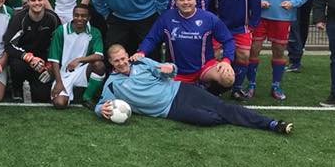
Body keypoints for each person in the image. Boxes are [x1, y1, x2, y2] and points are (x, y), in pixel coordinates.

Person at [95, 45, 292, 134]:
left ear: (127, 55)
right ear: (111, 62)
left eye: (123, 58)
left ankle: (271, 124)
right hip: (169, 109)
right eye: (116, 61)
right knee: (208, 119)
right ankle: (237, 117)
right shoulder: (112, 84)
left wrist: (169, 68)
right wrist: (99, 110)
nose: (122, 63)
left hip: (181, 90)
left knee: (222, 107)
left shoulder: (142, 63)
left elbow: (170, 71)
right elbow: (101, 105)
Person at [135, 0, 235, 93]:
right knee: (165, 93)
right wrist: (141, 52)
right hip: (175, 70)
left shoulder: (209, 18)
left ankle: (208, 92)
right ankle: (188, 89)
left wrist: (226, 61)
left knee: (227, 77)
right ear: (176, 3)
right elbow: (152, 38)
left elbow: (228, 40)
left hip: (204, 67)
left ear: (195, 1)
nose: (186, 2)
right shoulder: (166, 18)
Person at [206, 0, 261, 100]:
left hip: (240, 26)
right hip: (219, 26)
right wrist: (211, 21)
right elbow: (209, 1)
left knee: (243, 56)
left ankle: (236, 88)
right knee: (216, 56)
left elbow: (255, 0)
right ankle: (215, 88)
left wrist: (253, 22)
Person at [3, 0, 61, 103]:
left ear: (44, 1)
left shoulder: (53, 18)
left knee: (42, 97)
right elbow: (8, 45)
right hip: (23, 58)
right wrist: (29, 58)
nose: (37, 3)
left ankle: (33, 87)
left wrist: (50, 65)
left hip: (43, 62)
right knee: (17, 66)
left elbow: (59, 44)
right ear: (28, 2)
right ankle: (17, 88)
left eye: (40, 0)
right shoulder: (19, 18)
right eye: (33, 0)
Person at [48, 3, 105, 110]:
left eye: (83, 16)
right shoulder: (61, 31)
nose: (79, 18)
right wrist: (59, 82)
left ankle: (86, 97)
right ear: (73, 15)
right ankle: (70, 93)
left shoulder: (94, 32)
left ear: (89, 18)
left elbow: (99, 55)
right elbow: (54, 60)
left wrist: (79, 60)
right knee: (59, 104)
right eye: (76, 15)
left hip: (82, 70)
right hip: (63, 73)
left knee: (99, 65)